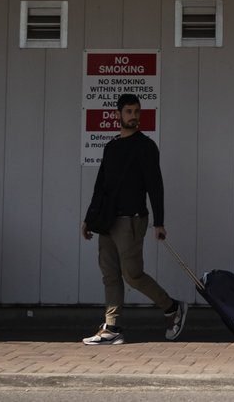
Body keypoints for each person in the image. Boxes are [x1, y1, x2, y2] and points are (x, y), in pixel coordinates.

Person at [80, 93, 188, 345]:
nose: (133, 116)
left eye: (137, 112)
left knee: (132, 275)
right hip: (106, 221)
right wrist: (88, 219)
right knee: (109, 274)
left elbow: (155, 186)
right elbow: (100, 187)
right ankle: (112, 328)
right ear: (118, 114)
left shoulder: (145, 146)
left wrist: (159, 222)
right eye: (128, 112)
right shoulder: (112, 147)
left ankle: (172, 308)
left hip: (132, 220)